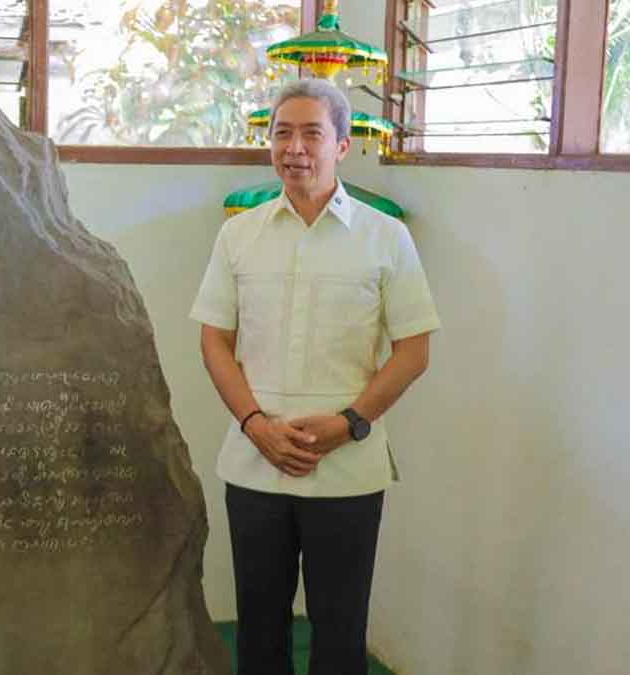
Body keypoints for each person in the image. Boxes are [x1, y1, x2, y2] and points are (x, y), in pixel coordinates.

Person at [190, 78, 440, 675]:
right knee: (259, 629)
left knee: (340, 630)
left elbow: (413, 350)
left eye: (311, 134)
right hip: (255, 462)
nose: (294, 148)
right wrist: (256, 425)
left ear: (342, 146)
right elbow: (214, 340)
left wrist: (348, 423)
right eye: (282, 133)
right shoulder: (239, 234)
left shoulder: (386, 236)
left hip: (347, 467)